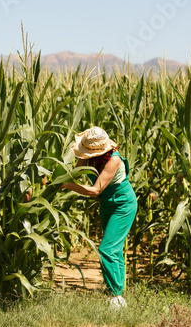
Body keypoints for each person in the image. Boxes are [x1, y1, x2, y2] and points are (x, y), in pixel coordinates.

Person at [61, 126, 138, 309]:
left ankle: (116, 297)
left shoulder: (114, 160)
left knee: (107, 249)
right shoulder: (88, 155)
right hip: (107, 204)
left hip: (123, 204)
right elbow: (76, 174)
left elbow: (95, 191)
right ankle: (117, 293)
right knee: (115, 250)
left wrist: (67, 185)